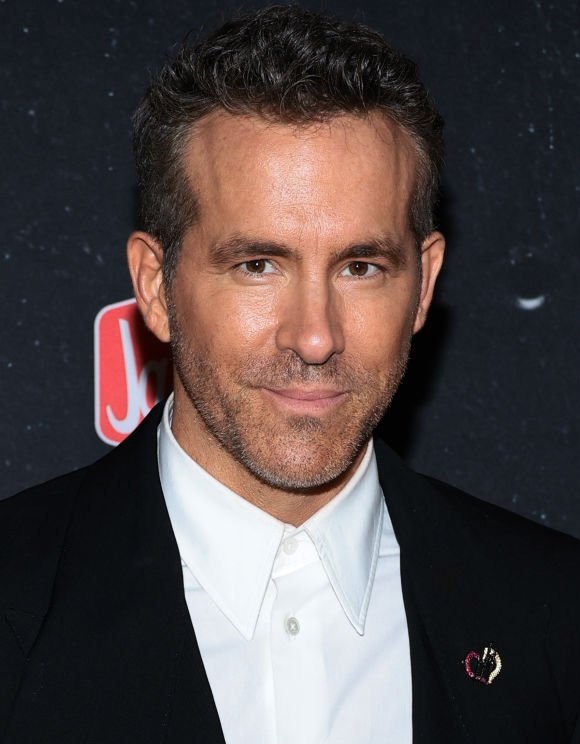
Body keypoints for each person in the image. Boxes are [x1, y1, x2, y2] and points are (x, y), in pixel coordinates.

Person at [1, 5, 580, 743]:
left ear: (424, 285)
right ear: (155, 286)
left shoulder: (555, 617)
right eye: (257, 265)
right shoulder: (16, 603)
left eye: (361, 267)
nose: (314, 337)